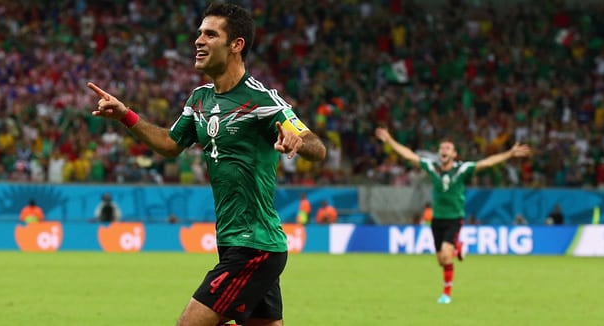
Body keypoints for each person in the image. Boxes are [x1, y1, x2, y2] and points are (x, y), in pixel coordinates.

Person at [86, 3, 326, 325]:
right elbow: (170, 144)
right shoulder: (199, 99)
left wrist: (298, 141)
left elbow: (316, 147)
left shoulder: (262, 100)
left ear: (236, 45)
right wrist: (126, 116)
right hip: (234, 243)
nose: (198, 40)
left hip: (252, 247)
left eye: (210, 34)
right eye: (199, 33)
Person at [374, 128, 531, 304]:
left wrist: (509, 154)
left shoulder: (462, 170)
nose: (444, 150)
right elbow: (409, 155)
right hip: (437, 219)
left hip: (454, 218)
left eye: (448, 148)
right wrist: (390, 140)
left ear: (454, 154)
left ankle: (446, 294)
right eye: (442, 148)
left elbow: (486, 163)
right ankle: (458, 248)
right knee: (442, 260)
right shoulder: (432, 167)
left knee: (447, 256)